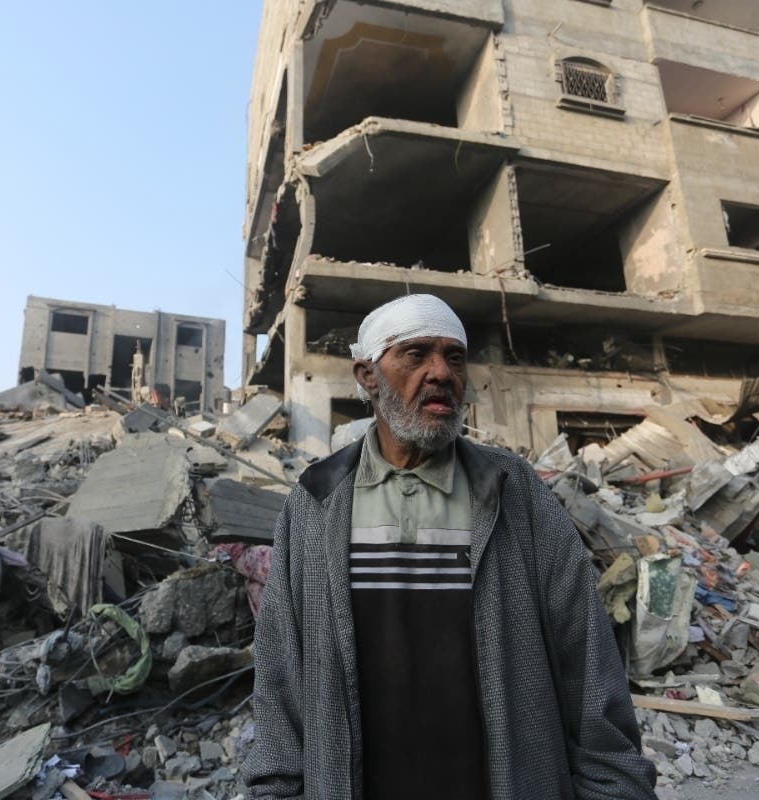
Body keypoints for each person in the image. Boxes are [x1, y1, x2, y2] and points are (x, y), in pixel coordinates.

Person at [242, 294, 657, 800]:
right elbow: (281, 670)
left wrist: (614, 785)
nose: (441, 373)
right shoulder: (316, 501)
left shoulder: (513, 492)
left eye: (454, 357)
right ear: (368, 376)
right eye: (416, 354)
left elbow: (587, 655)